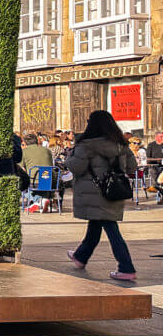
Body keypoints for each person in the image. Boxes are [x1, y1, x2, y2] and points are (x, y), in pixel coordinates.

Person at [66, 110, 138, 281]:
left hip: (94, 194)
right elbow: (132, 168)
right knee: (96, 224)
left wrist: (69, 157)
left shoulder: (86, 145)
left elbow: (76, 167)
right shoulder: (121, 144)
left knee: (111, 228)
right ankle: (80, 256)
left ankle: (126, 267)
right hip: (114, 191)